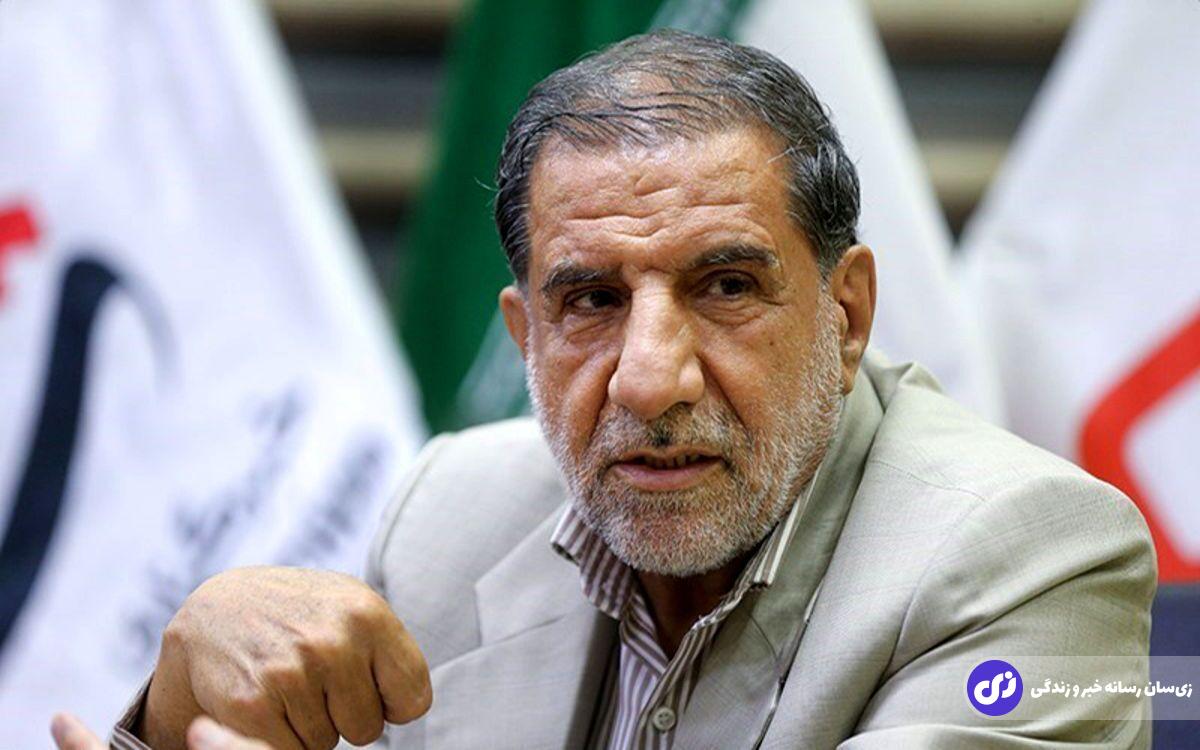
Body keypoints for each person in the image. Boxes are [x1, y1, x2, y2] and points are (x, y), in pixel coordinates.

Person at [67, 29, 1155, 750]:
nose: (649, 377)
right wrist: (171, 718)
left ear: (847, 313)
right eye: (589, 300)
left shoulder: (1030, 555)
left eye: (726, 287)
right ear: (524, 336)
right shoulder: (449, 513)